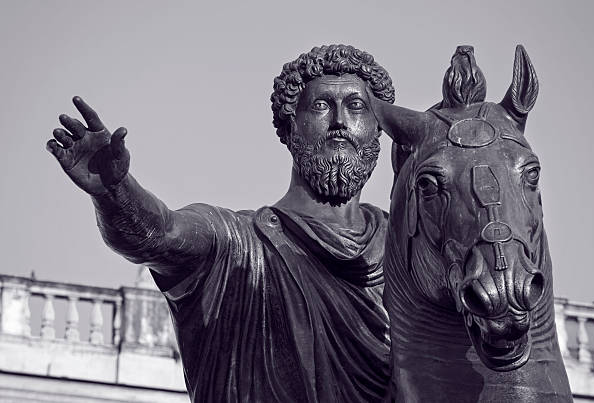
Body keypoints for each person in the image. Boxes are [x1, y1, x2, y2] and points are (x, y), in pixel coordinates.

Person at [47, 44, 395, 403]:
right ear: (290, 128)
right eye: (321, 105)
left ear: (378, 129)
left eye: (356, 106)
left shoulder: (408, 253)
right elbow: (160, 234)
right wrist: (115, 191)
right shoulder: (238, 244)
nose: (339, 122)